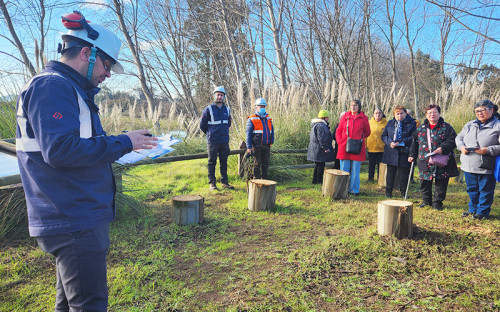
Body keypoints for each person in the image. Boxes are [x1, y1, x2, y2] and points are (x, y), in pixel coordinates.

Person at [15, 11, 158, 311]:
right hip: (73, 218)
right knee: (89, 304)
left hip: (73, 215)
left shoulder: (69, 89)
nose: (108, 74)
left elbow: (78, 145)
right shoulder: (53, 87)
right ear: (86, 53)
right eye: (107, 65)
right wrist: (124, 142)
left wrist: (124, 143)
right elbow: (61, 150)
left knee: (68, 303)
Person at [456, 99, 500, 220]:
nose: (480, 113)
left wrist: (487, 150)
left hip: (486, 165)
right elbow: (458, 138)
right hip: (468, 164)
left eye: (483, 110)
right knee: (472, 189)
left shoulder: (498, 126)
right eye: (477, 111)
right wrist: (461, 147)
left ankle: (482, 212)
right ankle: (472, 209)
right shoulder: (470, 124)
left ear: (491, 110)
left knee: (485, 190)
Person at [409, 105, 459, 210]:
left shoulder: (447, 127)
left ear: (439, 114)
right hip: (424, 159)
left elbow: (453, 141)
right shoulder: (421, 128)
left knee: (441, 183)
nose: (432, 115)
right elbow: (415, 142)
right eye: (429, 113)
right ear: (426, 115)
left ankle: (437, 203)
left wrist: (443, 148)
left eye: (435, 112)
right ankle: (426, 201)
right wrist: (412, 155)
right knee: (425, 182)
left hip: (441, 160)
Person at [200, 86, 234, 190]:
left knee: (224, 162)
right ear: (214, 95)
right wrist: (210, 133)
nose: (219, 97)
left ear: (224, 97)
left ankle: (225, 182)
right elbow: (202, 125)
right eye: (218, 95)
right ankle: (212, 183)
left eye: (221, 95)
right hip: (213, 141)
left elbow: (228, 123)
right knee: (212, 162)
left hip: (224, 140)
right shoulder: (208, 109)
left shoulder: (227, 110)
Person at [335, 100, 371, 195]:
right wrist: (340, 141)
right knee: (344, 170)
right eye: (352, 105)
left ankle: (354, 190)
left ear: (359, 107)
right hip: (344, 146)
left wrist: (359, 138)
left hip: (357, 146)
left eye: (355, 105)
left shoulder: (364, 118)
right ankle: (343, 189)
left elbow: (367, 132)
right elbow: (338, 130)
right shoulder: (345, 117)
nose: (353, 107)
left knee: (355, 171)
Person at [381, 105, 416, 198]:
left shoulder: (412, 123)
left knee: (403, 174)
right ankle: (388, 192)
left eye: (401, 113)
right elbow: (384, 136)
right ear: (394, 115)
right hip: (391, 151)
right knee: (390, 174)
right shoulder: (390, 123)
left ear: (405, 113)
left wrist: (401, 141)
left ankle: (403, 192)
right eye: (397, 114)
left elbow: (414, 137)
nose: (399, 116)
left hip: (404, 151)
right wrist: (390, 142)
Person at [246, 98, 274, 179]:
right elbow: (248, 134)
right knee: (257, 163)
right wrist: (249, 147)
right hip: (257, 146)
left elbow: (272, 130)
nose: (262, 108)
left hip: (267, 145)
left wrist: (271, 141)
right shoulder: (252, 118)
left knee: (266, 163)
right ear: (256, 107)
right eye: (260, 106)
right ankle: (257, 180)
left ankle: (265, 179)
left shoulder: (268, 118)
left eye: (263, 106)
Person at [307, 109, 335, 184]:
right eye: (327, 117)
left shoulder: (315, 125)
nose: (328, 118)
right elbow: (322, 138)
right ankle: (319, 181)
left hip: (315, 148)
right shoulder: (321, 126)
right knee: (320, 165)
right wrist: (325, 148)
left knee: (318, 165)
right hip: (319, 149)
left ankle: (314, 181)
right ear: (325, 117)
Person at [366, 108, 387, 182]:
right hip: (371, 147)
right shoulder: (369, 123)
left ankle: (380, 178)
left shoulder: (386, 123)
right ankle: (370, 178)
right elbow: (365, 134)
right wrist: (365, 145)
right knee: (371, 164)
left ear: (382, 114)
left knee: (380, 165)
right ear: (373, 115)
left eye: (379, 113)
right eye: (376, 113)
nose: (377, 115)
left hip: (382, 148)